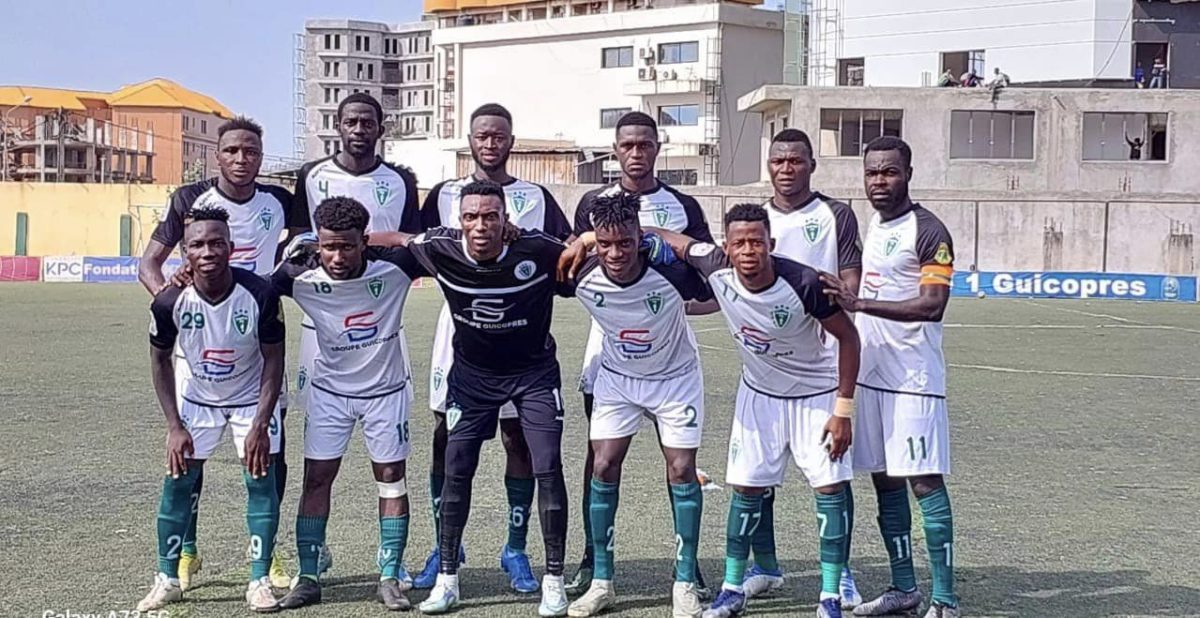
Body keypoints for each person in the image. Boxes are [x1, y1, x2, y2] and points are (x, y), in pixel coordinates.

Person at [646, 203, 861, 618]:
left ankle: (831, 594)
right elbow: (671, 239)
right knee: (745, 488)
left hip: (815, 397)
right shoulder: (714, 265)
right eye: (740, 243)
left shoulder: (805, 282)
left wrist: (843, 410)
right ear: (726, 247)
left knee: (829, 489)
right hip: (759, 396)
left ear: (771, 244)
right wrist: (593, 238)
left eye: (757, 242)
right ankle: (732, 588)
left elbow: (849, 339)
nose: (748, 250)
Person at [382, 180, 572, 616]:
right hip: (472, 379)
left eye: (490, 216)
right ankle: (448, 580)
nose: (481, 225)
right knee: (456, 469)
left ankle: (554, 581)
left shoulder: (538, 250)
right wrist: (321, 241)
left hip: (533, 376)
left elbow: (577, 254)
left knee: (547, 466)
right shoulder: (439, 248)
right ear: (459, 220)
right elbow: (397, 238)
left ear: (506, 220)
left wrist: (583, 241)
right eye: (471, 217)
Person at [414, 103, 572, 593]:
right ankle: (446, 548)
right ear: (470, 140)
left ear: (511, 141)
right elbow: (417, 244)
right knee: (446, 436)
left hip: (519, 333)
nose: (490, 143)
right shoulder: (444, 192)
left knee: (517, 438)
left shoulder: (535, 196)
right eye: (482, 136)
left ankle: (516, 548)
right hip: (460, 331)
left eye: (499, 136)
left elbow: (565, 250)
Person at [136, 116, 294, 590]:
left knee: (270, 454)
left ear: (261, 156)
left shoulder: (280, 200)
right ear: (216, 155)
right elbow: (149, 263)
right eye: (231, 151)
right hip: (199, 348)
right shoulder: (190, 199)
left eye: (251, 151)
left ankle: (267, 552)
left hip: (256, 336)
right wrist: (175, 303)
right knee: (189, 456)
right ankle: (186, 549)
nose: (241, 159)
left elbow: (307, 244)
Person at [567, 110, 714, 596]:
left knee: (679, 460)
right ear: (615, 149)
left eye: (644, 144)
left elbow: (702, 264)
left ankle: (688, 565)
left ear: (657, 147)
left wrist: (674, 298)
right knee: (601, 455)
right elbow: (577, 257)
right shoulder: (593, 201)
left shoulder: (682, 204)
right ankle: (593, 558)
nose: (636, 152)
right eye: (627, 145)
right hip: (609, 341)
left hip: (668, 340)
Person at [820, 137, 960, 618]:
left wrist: (859, 303)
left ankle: (945, 600)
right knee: (884, 481)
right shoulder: (875, 225)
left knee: (923, 482)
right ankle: (904, 588)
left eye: (889, 172)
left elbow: (933, 305)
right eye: (872, 173)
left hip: (913, 378)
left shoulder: (929, 230)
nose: (879, 181)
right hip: (872, 375)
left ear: (908, 174)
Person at [289, 92, 422, 579]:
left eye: (368, 122)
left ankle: (392, 565)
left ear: (380, 128)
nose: (359, 129)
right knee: (318, 459)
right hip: (320, 322)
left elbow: (411, 242)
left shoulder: (400, 180)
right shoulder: (312, 175)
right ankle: (312, 554)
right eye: (350, 121)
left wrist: (372, 249)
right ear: (338, 126)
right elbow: (298, 240)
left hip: (380, 310)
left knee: (389, 466)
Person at [271, 197, 427, 611]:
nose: (337, 257)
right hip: (329, 394)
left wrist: (404, 238)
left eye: (346, 246)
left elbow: (446, 250)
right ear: (317, 244)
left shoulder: (396, 268)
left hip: (386, 392)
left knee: (391, 477)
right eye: (328, 247)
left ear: (365, 242)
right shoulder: (298, 276)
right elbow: (253, 290)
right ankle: (308, 576)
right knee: (316, 479)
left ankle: (389, 576)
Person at [742, 129, 864, 607]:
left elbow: (850, 278)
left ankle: (842, 572)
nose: (786, 169)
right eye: (778, 161)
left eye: (796, 160)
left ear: (812, 165)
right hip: (768, 362)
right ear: (768, 166)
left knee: (832, 472)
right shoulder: (755, 217)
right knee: (759, 471)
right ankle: (765, 565)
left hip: (823, 361)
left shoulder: (836, 214)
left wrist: (840, 293)